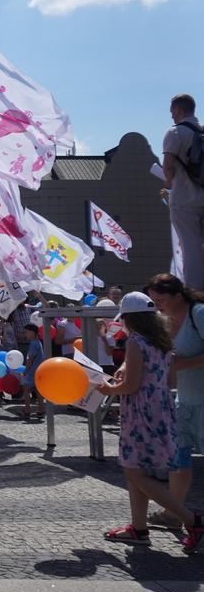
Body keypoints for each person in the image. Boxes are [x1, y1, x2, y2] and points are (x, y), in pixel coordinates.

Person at [97, 292, 204, 553]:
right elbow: (168, 381)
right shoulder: (163, 341)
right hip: (161, 409)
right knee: (138, 470)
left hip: (140, 413)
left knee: (133, 472)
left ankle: (192, 520)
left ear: (130, 319)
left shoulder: (135, 341)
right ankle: (139, 528)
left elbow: (131, 385)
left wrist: (108, 389)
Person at [144, 273, 204, 529]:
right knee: (178, 458)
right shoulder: (164, 319)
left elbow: (179, 361)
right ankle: (172, 514)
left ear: (177, 296)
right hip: (185, 399)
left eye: (160, 299)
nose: (157, 304)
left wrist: (182, 364)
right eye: (152, 300)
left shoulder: (199, 313)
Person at [163, 93, 204, 290]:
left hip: (184, 198)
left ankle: (195, 291)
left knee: (190, 246)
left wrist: (169, 181)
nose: (171, 115)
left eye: (172, 111)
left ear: (179, 110)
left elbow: (168, 165)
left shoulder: (175, 132)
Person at [20, 324, 45, 421]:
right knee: (38, 391)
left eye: (26, 332)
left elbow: (30, 359)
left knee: (26, 389)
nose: (25, 334)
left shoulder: (33, 344)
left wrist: (25, 371)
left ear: (32, 332)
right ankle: (41, 410)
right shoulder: (38, 342)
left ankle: (27, 410)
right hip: (38, 370)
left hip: (32, 371)